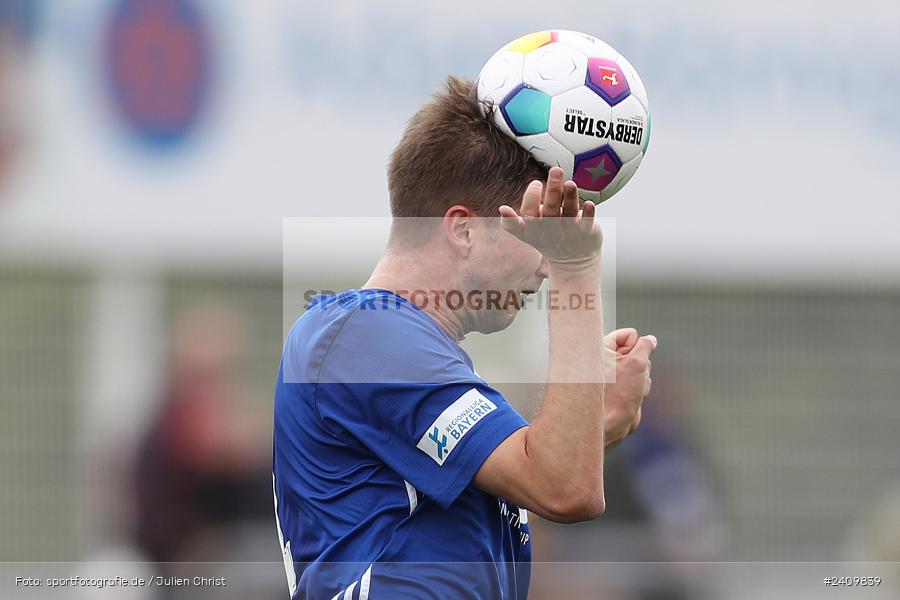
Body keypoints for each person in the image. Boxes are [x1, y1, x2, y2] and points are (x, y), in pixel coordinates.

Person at [273, 76, 656, 599]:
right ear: (463, 228)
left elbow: (545, 478)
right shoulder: (362, 330)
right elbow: (567, 489)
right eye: (537, 232)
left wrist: (593, 426)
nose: (546, 265)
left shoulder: (399, 346)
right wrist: (577, 266)